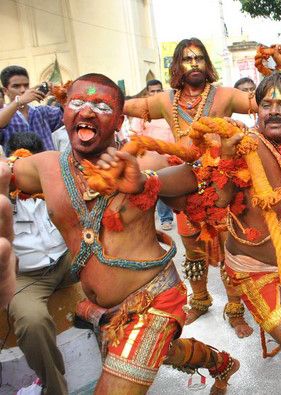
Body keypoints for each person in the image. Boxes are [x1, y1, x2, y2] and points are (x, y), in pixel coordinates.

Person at [3, 73, 239, 394]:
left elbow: (199, 179)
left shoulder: (143, 157)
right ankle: (220, 362)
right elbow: (7, 178)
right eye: (78, 102)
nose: (86, 111)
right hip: (103, 309)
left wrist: (146, 182)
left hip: (154, 300)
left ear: (117, 120)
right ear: (64, 113)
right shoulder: (44, 168)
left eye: (100, 106)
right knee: (162, 352)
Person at [168, 72, 281, 393]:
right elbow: (219, 200)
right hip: (256, 273)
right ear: (256, 111)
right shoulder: (245, 144)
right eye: (266, 104)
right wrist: (224, 156)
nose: (273, 110)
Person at [123, 37, 257, 334]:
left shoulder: (224, 95)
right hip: (183, 183)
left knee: (227, 250)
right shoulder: (164, 100)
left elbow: (261, 102)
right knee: (192, 248)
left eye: (199, 58)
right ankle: (199, 300)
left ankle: (235, 309)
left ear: (207, 64)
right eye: (187, 58)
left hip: (221, 185)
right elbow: (129, 105)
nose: (194, 63)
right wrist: (93, 95)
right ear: (178, 65)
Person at [4, 132, 72, 394]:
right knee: (32, 322)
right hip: (25, 277)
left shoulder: (56, 180)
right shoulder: (3, 192)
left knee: (112, 268)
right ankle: (56, 389)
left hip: (66, 260)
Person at [129, 79, 175, 231]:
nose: (155, 94)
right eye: (152, 91)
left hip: (172, 157)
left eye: (158, 91)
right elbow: (135, 136)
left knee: (169, 187)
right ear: (147, 93)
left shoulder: (170, 110)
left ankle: (168, 217)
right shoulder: (142, 113)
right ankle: (156, 220)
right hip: (150, 160)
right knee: (152, 189)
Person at [0, 66, 62, 152]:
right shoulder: (4, 115)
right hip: (19, 164)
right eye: (16, 86)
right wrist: (19, 101)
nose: (23, 90)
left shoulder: (42, 111)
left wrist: (59, 93)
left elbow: (68, 115)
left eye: (26, 85)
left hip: (47, 164)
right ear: (5, 91)